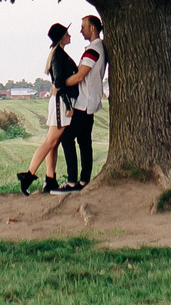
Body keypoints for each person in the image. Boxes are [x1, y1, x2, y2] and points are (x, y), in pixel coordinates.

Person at [17, 23, 75, 194]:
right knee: (50, 142)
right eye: (67, 33)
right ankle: (28, 175)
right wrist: (68, 105)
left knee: (53, 143)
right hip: (61, 103)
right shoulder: (58, 55)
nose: (70, 36)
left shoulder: (58, 54)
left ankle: (50, 179)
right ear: (61, 37)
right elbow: (59, 82)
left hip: (59, 101)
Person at [60, 13, 105, 189]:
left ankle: (72, 181)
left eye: (83, 27)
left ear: (92, 28)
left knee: (67, 138)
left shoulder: (93, 50)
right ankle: (84, 179)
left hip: (84, 103)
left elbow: (80, 76)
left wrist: (60, 84)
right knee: (84, 141)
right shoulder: (98, 48)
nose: (80, 31)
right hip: (90, 102)